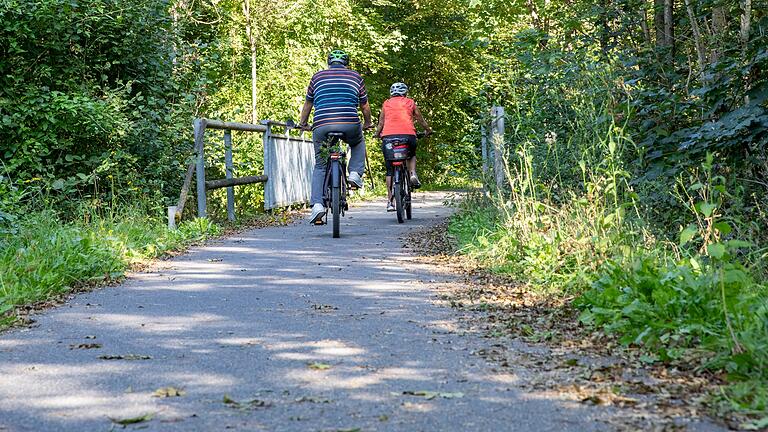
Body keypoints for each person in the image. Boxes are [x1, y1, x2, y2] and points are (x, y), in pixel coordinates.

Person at [298, 49, 373, 224]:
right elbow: (365, 107)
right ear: (346, 63)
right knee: (357, 142)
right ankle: (355, 173)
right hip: (349, 123)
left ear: (329, 62)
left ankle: (317, 205)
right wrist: (367, 123)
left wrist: (303, 123)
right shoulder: (356, 77)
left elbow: (308, 104)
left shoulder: (317, 77)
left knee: (321, 165)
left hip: (322, 125)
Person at [374, 82, 432, 212]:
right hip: (408, 136)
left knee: (389, 169)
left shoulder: (386, 103)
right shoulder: (410, 102)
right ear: (405, 93)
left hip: (388, 137)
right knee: (411, 154)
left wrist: (377, 134)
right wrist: (427, 130)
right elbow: (420, 119)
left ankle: (390, 201)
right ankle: (412, 173)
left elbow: (381, 122)